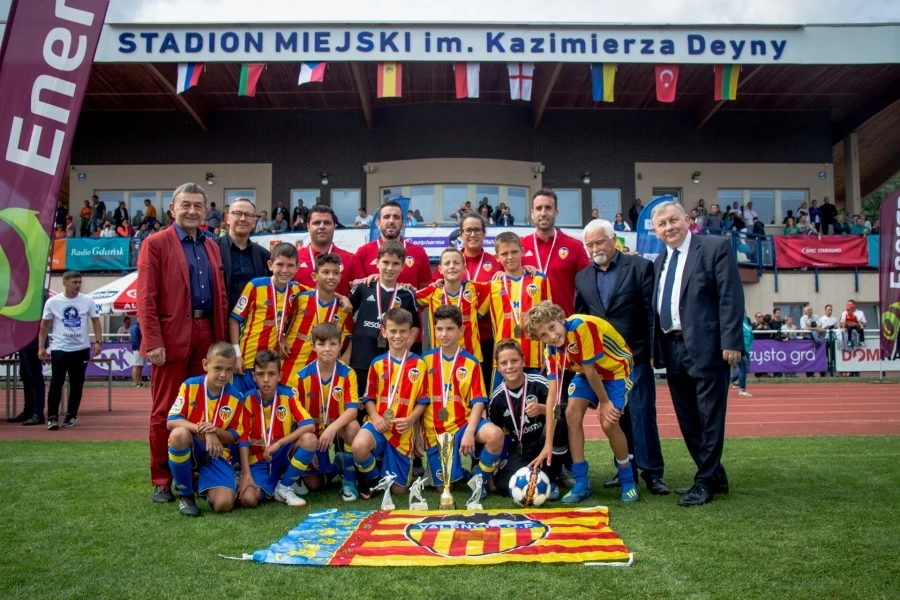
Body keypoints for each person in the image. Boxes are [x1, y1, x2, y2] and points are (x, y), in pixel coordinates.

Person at [137, 182, 229, 504]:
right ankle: (162, 479)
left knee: (202, 407)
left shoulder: (212, 245)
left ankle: (194, 474)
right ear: (172, 210)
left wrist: (222, 342)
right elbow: (145, 296)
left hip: (207, 333)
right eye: (185, 205)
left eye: (198, 206)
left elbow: (220, 296)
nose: (192, 211)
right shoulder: (156, 243)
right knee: (165, 410)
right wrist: (152, 341)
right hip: (171, 337)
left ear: (206, 211)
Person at [651, 201, 744, 506]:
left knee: (709, 416)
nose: (669, 227)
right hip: (671, 346)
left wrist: (731, 341)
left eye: (673, 220)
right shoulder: (658, 262)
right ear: (655, 231)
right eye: (662, 224)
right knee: (688, 418)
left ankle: (704, 482)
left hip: (707, 346)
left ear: (686, 220)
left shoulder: (714, 247)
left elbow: (730, 296)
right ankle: (714, 474)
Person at [575, 219, 667, 496]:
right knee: (617, 417)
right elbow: (582, 320)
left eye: (599, 242)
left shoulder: (640, 267)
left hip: (636, 356)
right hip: (604, 363)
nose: (594, 248)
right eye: (589, 244)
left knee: (642, 414)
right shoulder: (582, 277)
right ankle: (625, 469)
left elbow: (651, 312)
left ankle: (653, 474)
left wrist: (653, 351)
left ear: (614, 239)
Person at [524, 302, 638, 504]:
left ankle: (628, 480)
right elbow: (552, 397)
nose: (551, 336)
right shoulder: (550, 350)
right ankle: (582, 482)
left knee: (608, 422)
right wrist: (548, 443)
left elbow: (592, 370)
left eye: (552, 327)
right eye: (543, 335)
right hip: (585, 373)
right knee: (570, 414)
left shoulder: (581, 326)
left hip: (616, 371)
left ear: (560, 318)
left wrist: (604, 403)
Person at [422, 305, 504, 500]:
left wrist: (469, 432)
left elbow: (478, 402)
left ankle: (479, 478)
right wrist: (419, 432)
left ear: (461, 330)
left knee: (495, 435)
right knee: (443, 489)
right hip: (436, 429)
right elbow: (420, 401)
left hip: (463, 423)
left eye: (450, 329)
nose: (444, 334)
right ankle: (459, 473)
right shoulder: (424, 361)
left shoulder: (471, 362)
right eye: (439, 329)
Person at [351, 308, 428, 498]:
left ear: (411, 333)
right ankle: (374, 478)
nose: (397, 336)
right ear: (383, 332)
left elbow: (423, 400)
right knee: (359, 446)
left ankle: (382, 462)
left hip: (402, 431)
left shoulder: (420, 364)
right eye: (393, 331)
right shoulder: (377, 363)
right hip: (378, 424)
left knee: (399, 491)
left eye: (403, 331)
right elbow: (369, 397)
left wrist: (411, 420)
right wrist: (376, 417)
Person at [165, 342, 244, 516]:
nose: (223, 375)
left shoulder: (236, 397)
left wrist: (216, 431)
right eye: (217, 368)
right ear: (205, 365)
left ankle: (201, 485)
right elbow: (171, 421)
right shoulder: (190, 385)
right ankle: (186, 496)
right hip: (193, 444)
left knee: (224, 505)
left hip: (216, 453)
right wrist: (205, 431)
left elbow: (233, 436)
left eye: (229, 370)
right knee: (178, 435)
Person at [237, 349, 318, 509]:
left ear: (279, 376)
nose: (266, 380)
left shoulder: (287, 396)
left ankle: (284, 486)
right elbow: (243, 440)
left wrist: (279, 443)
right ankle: (274, 482)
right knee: (248, 500)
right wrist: (246, 474)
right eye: (261, 374)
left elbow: (309, 424)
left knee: (309, 439)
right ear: (254, 376)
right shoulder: (247, 399)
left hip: (283, 453)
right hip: (260, 459)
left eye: (271, 374)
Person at [292, 323, 361, 500]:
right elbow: (296, 418)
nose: (327, 349)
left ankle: (350, 482)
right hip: (312, 432)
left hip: (337, 429)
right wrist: (310, 445)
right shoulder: (301, 376)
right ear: (313, 346)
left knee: (353, 426)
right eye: (322, 344)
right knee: (315, 486)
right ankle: (337, 466)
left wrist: (331, 429)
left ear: (340, 345)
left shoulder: (348, 373)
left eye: (333, 344)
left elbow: (352, 411)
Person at [348, 241, 420, 398]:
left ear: (402, 266)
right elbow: (346, 309)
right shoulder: (363, 287)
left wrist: (406, 346)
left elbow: (415, 326)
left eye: (395, 264)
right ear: (377, 263)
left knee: (385, 399)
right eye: (385, 262)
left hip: (391, 359)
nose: (389, 268)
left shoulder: (407, 294)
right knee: (359, 401)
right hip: (362, 356)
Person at [487, 339, 558, 497]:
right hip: (521, 447)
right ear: (498, 368)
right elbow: (497, 437)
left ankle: (557, 474)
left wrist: (543, 409)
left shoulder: (539, 384)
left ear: (523, 361)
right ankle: (541, 473)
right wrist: (492, 471)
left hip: (546, 440)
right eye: (504, 363)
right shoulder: (497, 399)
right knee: (504, 485)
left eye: (514, 361)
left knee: (562, 423)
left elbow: (560, 412)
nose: (510, 366)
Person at [481, 231, 551, 389]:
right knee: (501, 409)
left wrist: (550, 355)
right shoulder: (492, 285)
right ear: (497, 257)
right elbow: (472, 313)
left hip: (535, 359)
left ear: (522, 252)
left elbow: (550, 321)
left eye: (514, 251)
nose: (510, 257)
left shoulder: (540, 280)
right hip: (502, 362)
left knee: (537, 409)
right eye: (504, 253)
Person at [230, 243, 303, 393]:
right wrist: (236, 355)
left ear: (297, 268)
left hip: (271, 365)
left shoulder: (296, 289)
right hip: (247, 361)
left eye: (290, 266)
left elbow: (320, 292)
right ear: (270, 265)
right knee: (242, 404)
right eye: (280, 264)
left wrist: (342, 297)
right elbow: (234, 320)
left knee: (265, 407)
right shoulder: (255, 286)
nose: (284, 270)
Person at [38, 271, 102, 430]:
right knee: (56, 383)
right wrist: (41, 346)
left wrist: (98, 341)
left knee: (76, 384)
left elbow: (96, 321)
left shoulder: (87, 300)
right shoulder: (53, 302)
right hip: (60, 348)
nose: (78, 285)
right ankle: (52, 417)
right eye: (74, 282)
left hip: (81, 349)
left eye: (80, 282)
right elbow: (44, 325)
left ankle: (71, 415)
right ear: (65, 282)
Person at [282, 253, 353, 390]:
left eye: (335, 273)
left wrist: (344, 363)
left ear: (340, 277)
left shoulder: (344, 309)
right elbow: (281, 321)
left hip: (319, 381)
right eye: (325, 272)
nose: (331, 277)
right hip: (288, 373)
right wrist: (281, 339)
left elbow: (350, 337)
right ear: (315, 276)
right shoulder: (300, 299)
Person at [520, 188, 590, 318]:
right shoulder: (519, 246)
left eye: (548, 208)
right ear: (532, 213)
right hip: (527, 328)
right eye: (539, 208)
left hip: (563, 325)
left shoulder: (574, 246)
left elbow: (589, 287)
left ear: (556, 212)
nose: (543, 213)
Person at [416, 248, 485, 362]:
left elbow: (499, 287)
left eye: (456, 263)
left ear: (464, 268)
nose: (452, 266)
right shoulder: (432, 291)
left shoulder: (475, 288)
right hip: (438, 359)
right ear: (440, 269)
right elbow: (408, 297)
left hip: (471, 357)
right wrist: (406, 287)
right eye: (447, 263)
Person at [356, 200, 432, 289]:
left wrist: (415, 293)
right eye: (386, 217)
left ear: (403, 224)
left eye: (396, 217)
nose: (391, 221)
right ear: (378, 223)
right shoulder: (363, 252)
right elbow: (356, 288)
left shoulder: (419, 252)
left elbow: (426, 290)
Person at [293, 205, 365, 297]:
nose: (322, 226)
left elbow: (362, 296)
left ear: (335, 225)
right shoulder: (295, 259)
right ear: (308, 226)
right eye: (316, 223)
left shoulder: (351, 260)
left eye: (327, 223)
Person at [216, 198, 271, 313]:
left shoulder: (264, 255)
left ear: (254, 221)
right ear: (228, 218)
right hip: (220, 322)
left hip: (253, 324)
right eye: (238, 214)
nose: (243, 219)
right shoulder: (212, 249)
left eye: (248, 215)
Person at [8, 295, 48, 426]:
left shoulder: (37, 294)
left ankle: (37, 413)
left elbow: (41, 318)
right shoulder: (19, 293)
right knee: (25, 375)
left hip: (34, 341)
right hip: (22, 340)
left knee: (34, 376)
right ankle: (29, 410)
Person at [729, 314, 753, 397]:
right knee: (743, 368)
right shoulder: (737, 321)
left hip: (747, 348)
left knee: (746, 369)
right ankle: (742, 390)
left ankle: (728, 381)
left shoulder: (747, 320)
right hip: (740, 348)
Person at [130, 316, 146, 387]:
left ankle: (139, 381)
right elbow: (134, 339)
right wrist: (137, 348)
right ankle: (135, 382)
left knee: (140, 366)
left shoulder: (141, 326)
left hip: (142, 348)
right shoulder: (135, 327)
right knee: (136, 365)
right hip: (138, 349)